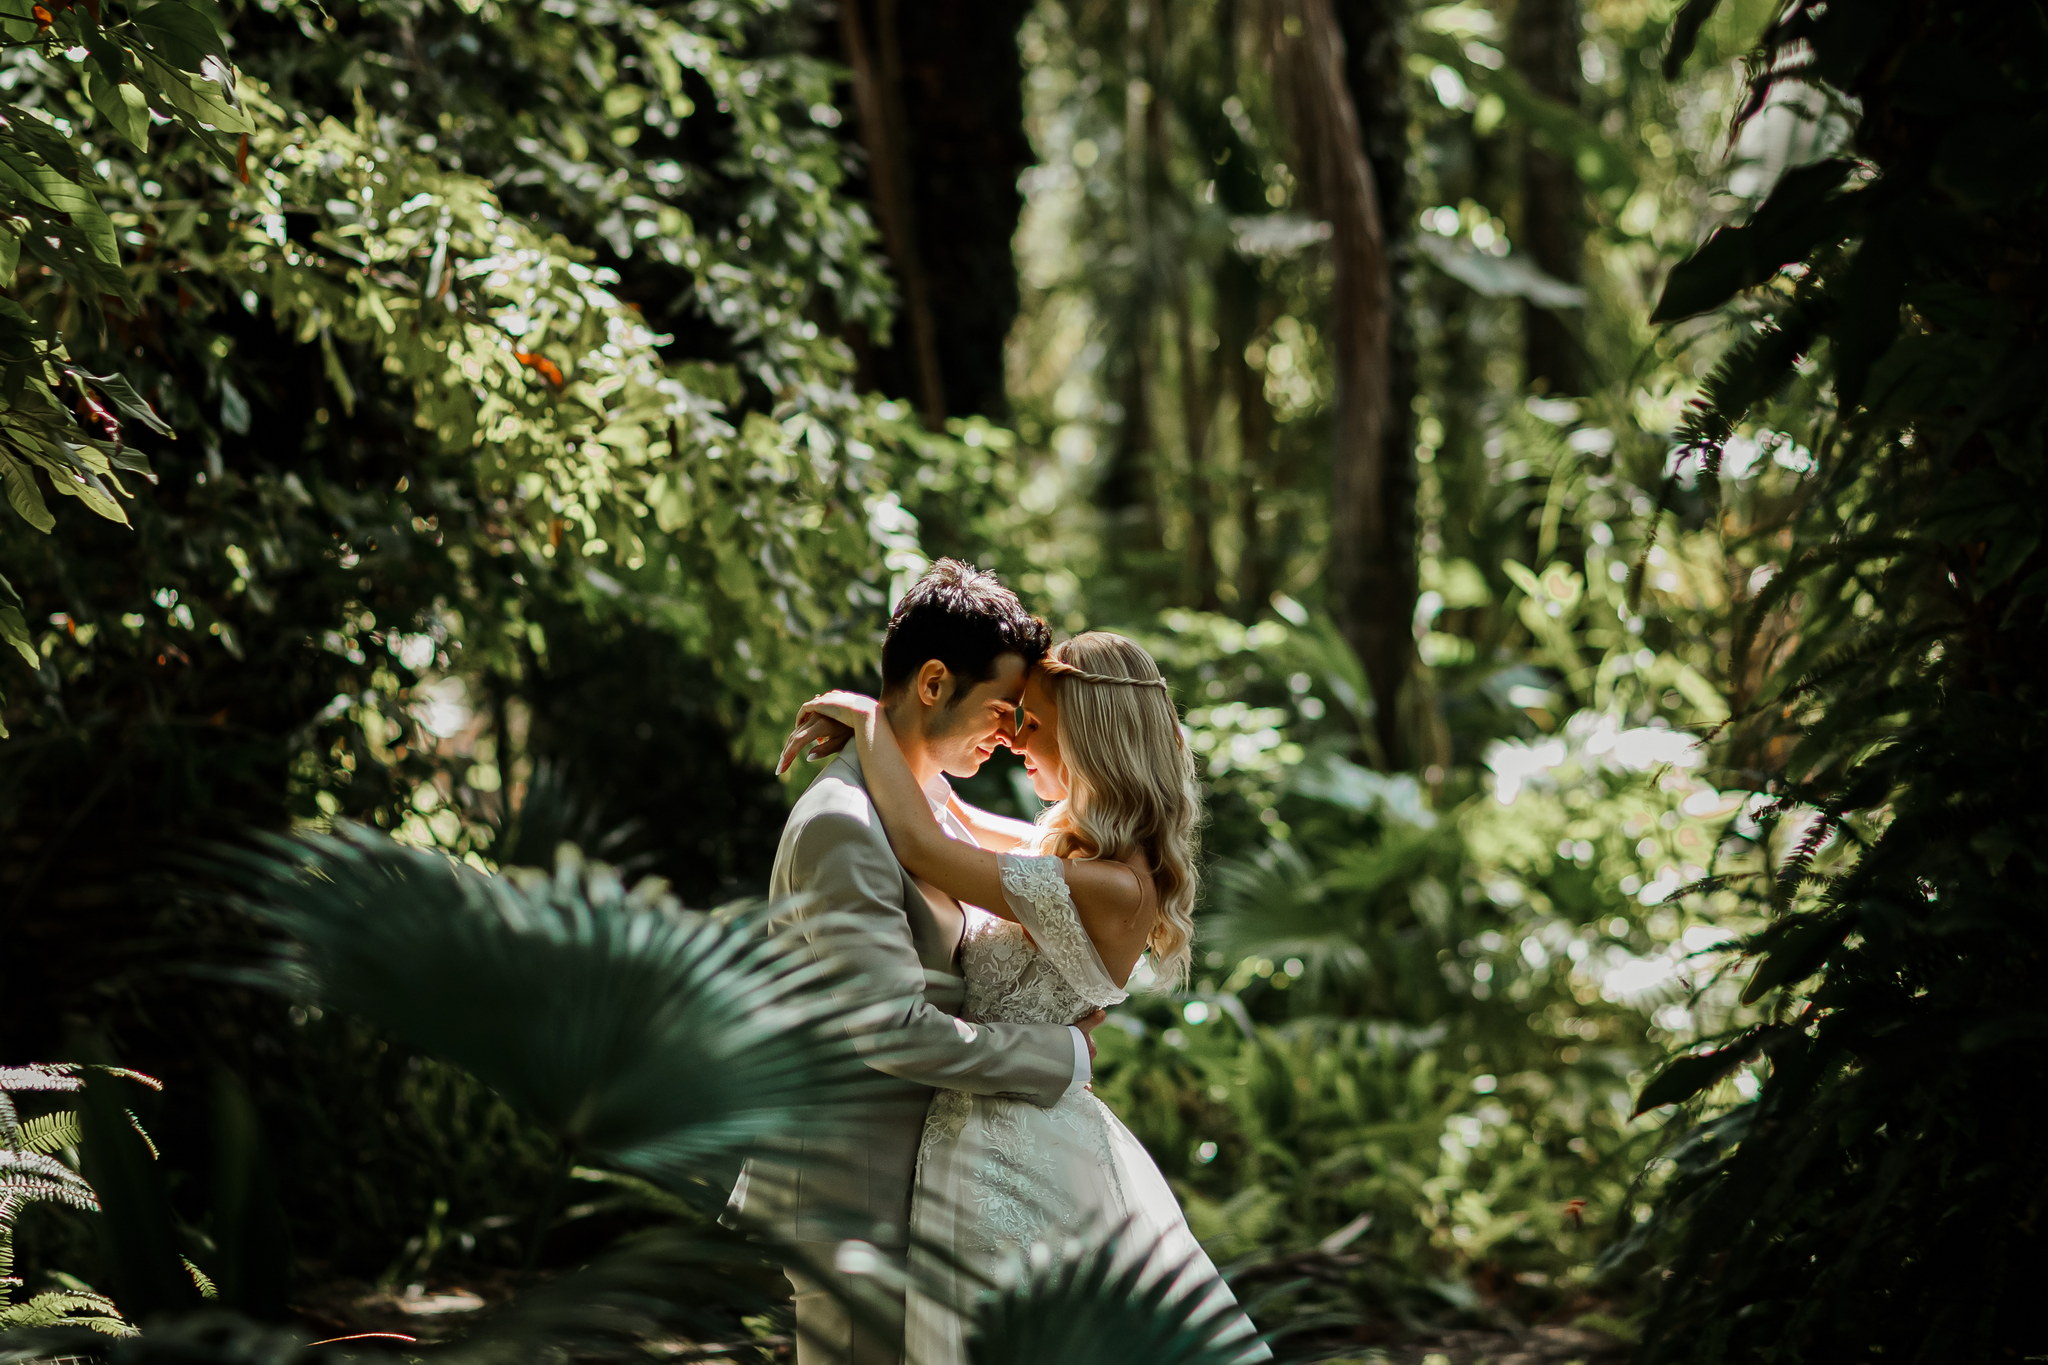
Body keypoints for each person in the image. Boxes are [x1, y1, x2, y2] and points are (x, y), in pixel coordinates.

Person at [786, 630, 1270, 1365]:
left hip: (1009, 1145)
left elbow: (925, 846)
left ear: (1088, 739)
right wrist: (881, 722)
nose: (1013, 737)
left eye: (1032, 722)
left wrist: (870, 721)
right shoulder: (1074, 850)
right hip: (982, 1127)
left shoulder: (1105, 885)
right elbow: (948, 811)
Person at [728, 559, 1105, 1365]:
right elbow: (894, 1031)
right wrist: (1062, 1053)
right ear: (934, 682)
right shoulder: (843, 824)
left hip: (923, 1182)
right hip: (850, 1189)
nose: (1011, 735)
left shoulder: (924, 798)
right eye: (1003, 709)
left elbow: (1048, 863)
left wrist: (869, 721)